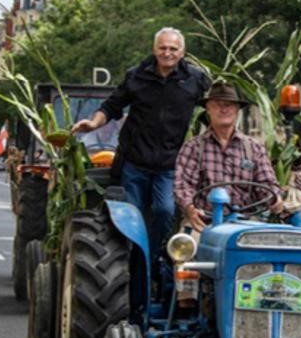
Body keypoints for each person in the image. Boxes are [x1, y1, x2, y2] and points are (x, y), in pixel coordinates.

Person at [71, 28, 210, 252]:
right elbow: (111, 106)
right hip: (135, 161)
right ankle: (133, 257)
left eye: (173, 49)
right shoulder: (136, 76)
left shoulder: (195, 79)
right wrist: (94, 123)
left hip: (169, 165)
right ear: (154, 49)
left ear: (182, 52)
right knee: (131, 217)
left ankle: (151, 258)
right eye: (162, 48)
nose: (167, 53)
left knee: (165, 211)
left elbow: (211, 108)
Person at [175, 82, 284, 233]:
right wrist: (190, 209)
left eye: (229, 105)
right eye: (218, 104)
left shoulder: (254, 148)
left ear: (237, 109)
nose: (223, 109)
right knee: (186, 251)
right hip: (203, 223)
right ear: (208, 109)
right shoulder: (193, 147)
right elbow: (182, 186)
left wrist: (274, 199)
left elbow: (267, 183)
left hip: (244, 224)